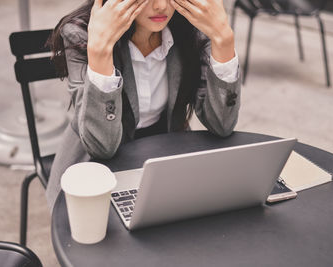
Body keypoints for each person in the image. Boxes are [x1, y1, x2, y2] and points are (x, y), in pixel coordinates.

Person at [46, 0, 241, 209]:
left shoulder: (192, 27)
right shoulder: (81, 33)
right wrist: (101, 52)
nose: (161, 7)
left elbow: (222, 124)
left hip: (165, 157)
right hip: (94, 169)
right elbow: (102, 146)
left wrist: (223, 39)